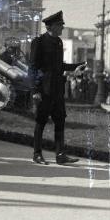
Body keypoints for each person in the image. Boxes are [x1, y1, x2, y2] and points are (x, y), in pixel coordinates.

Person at [29, 11, 86, 165]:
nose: (62, 27)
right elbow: (33, 68)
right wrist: (35, 90)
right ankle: (37, 154)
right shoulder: (39, 42)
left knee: (60, 121)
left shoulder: (59, 42)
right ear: (51, 26)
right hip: (44, 90)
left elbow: (59, 66)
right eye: (60, 25)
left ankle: (60, 155)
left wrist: (76, 66)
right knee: (41, 121)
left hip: (57, 90)